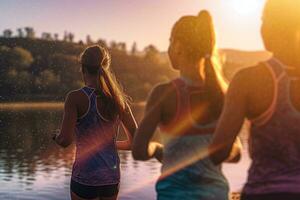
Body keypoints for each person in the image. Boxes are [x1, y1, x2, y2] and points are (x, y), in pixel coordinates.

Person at [132, 10, 240, 200]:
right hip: (216, 195)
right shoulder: (222, 94)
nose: (169, 48)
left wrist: (157, 149)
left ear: (179, 46)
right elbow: (236, 153)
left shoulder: (163, 94)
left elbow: (139, 150)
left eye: (170, 42)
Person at [209, 0, 300, 200]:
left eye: (264, 19)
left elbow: (218, 152)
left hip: (264, 193)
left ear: (271, 26)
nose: (262, 27)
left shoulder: (248, 80)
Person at [53, 45, 137, 200]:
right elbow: (134, 141)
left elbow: (65, 141)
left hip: (85, 177)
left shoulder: (75, 98)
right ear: (106, 67)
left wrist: (56, 137)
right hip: (111, 179)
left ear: (83, 68)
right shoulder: (119, 100)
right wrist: (108, 144)